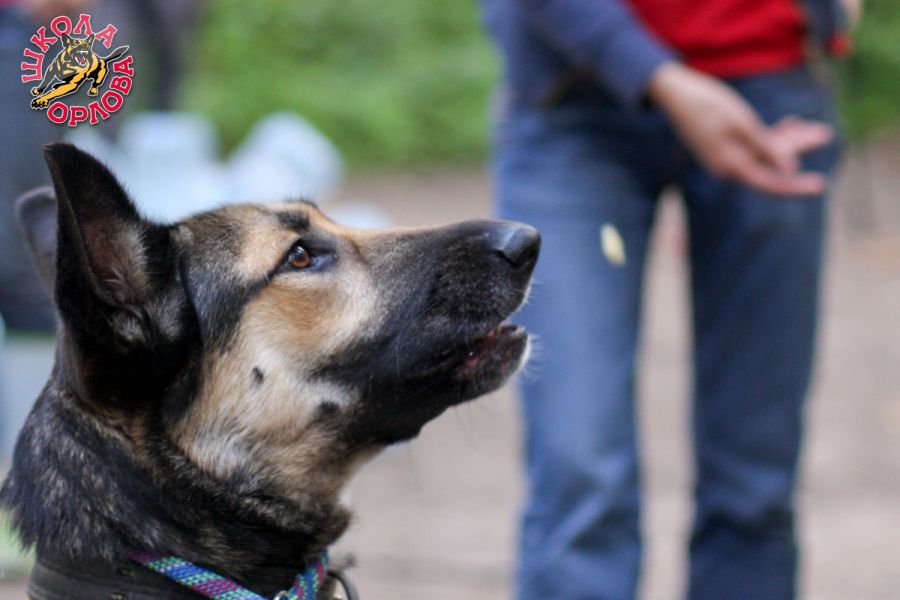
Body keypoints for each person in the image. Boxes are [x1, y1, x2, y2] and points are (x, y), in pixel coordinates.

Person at [482, 0, 854, 598]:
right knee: (579, 475)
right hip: (571, 93)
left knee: (754, 487)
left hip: (773, 86)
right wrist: (659, 77)